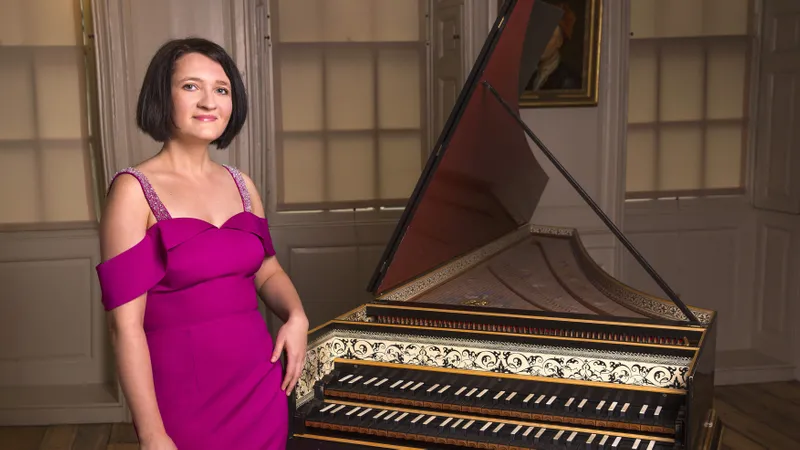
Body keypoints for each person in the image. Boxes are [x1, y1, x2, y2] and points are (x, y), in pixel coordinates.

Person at [95, 37, 308, 449]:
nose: (209, 101)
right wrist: (153, 433)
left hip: (259, 388)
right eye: (191, 86)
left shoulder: (242, 184)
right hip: (184, 400)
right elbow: (125, 328)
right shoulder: (133, 191)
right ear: (163, 95)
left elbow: (268, 271)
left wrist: (296, 315)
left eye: (222, 89)